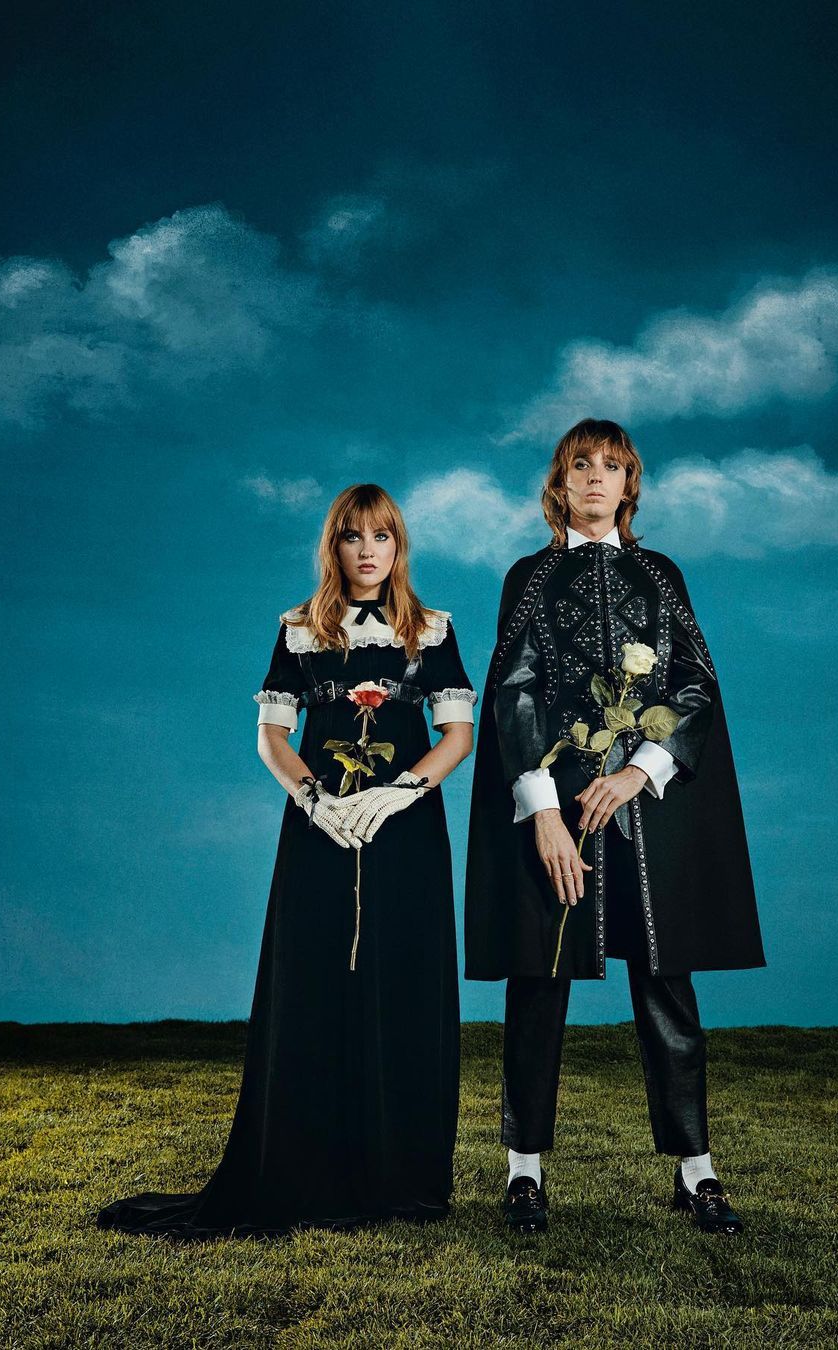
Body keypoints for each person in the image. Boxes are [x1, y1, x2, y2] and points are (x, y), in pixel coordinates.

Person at [96, 483, 477, 1238]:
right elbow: (272, 736)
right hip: (317, 831)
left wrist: (401, 790)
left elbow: (458, 734)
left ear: (399, 547)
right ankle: (305, 1168)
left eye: (382, 536)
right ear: (333, 546)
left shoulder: (431, 630)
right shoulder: (299, 629)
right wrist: (313, 799)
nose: (367, 550)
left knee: (403, 982)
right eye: (352, 536)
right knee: (313, 982)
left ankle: (402, 1179)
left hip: (406, 834)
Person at [464, 419, 766, 1236]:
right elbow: (514, 693)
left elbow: (697, 685)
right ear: (559, 483)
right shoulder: (529, 576)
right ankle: (523, 1172)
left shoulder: (661, 575)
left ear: (630, 484)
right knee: (539, 980)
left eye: (611, 466)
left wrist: (639, 773)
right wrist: (544, 814)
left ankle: (696, 1172)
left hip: (646, 816)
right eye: (580, 465)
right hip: (557, 809)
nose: (595, 477)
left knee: (668, 987)